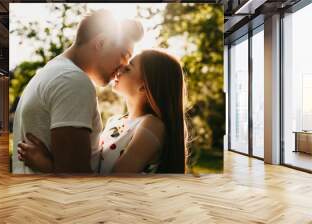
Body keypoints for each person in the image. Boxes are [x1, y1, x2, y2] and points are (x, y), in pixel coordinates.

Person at [12, 9, 144, 173]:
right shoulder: (72, 81)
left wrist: (49, 166)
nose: (124, 65)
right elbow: (76, 180)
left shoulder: (51, 72)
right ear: (101, 43)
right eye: (124, 54)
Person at [18, 49, 189, 174]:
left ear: (144, 86)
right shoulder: (115, 122)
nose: (119, 69)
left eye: (128, 69)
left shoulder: (151, 125)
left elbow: (114, 182)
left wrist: (48, 166)